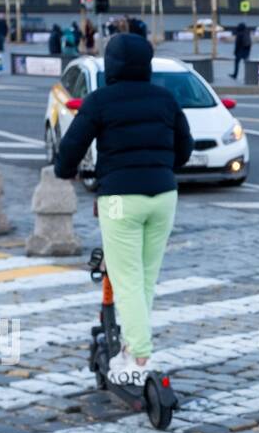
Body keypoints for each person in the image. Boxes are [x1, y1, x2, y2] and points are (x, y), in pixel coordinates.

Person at [53, 34, 192, 386]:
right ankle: (131, 346)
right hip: (163, 196)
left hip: (119, 199)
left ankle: (139, 353)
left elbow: (71, 148)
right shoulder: (165, 99)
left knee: (126, 277)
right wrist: (160, 164)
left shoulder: (100, 101)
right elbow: (185, 148)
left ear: (110, 64)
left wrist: (65, 171)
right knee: (145, 277)